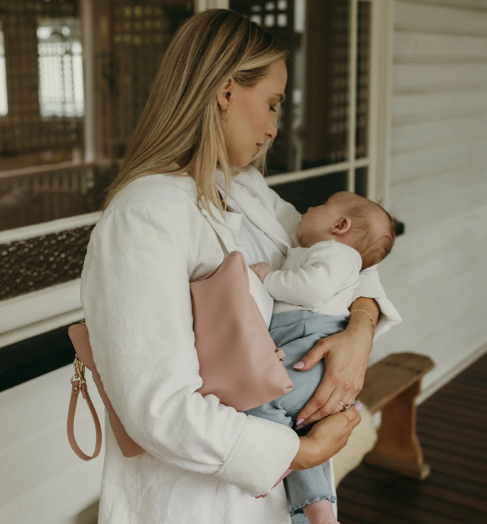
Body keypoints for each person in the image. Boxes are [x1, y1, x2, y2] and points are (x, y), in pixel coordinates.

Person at [79, 9, 402, 524]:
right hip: (197, 504)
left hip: (280, 496)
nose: (275, 128)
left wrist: (359, 332)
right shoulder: (145, 216)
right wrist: (300, 454)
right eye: (272, 104)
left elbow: (347, 257)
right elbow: (159, 410)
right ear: (226, 90)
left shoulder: (245, 189)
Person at [246, 191, 399, 523]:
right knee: (301, 435)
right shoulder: (335, 252)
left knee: (262, 396)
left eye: (321, 206)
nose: (309, 207)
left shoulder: (334, 252)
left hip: (309, 338)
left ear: (340, 225)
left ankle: (278, 462)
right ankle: (320, 511)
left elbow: (310, 290)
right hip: (304, 339)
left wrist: (268, 278)